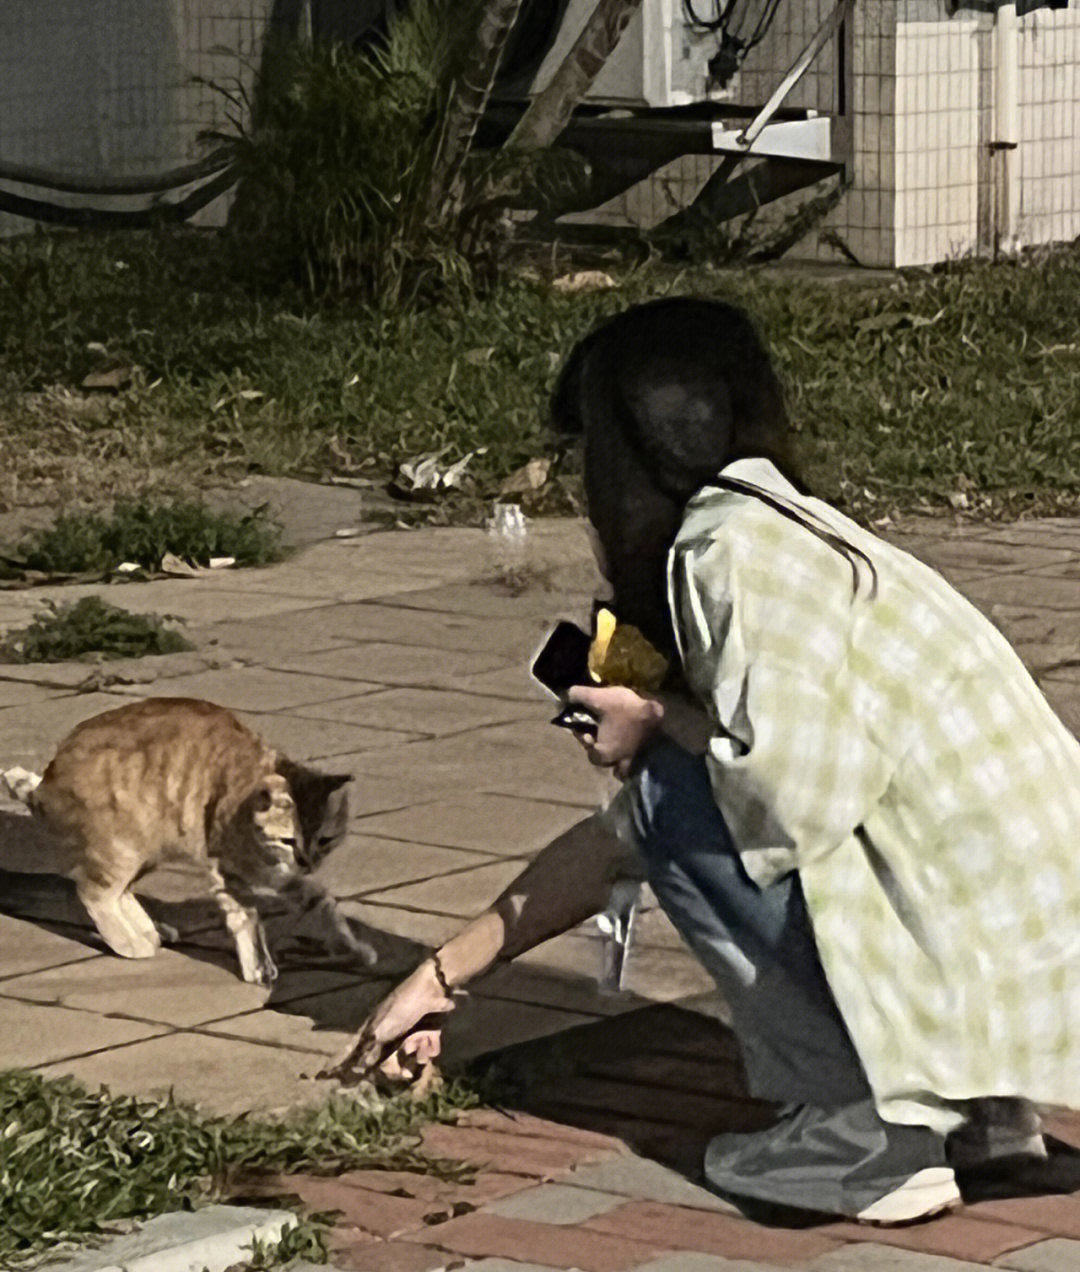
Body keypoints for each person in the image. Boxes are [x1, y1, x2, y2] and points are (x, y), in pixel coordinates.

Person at [325, 297, 1080, 1224]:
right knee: (680, 796)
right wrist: (440, 976)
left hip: (992, 934)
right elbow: (622, 842)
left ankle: (864, 1136)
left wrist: (655, 723)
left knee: (685, 794)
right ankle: (978, 1109)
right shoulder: (798, 532)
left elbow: (783, 796)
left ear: (626, 452)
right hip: (1029, 943)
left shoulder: (729, 554)